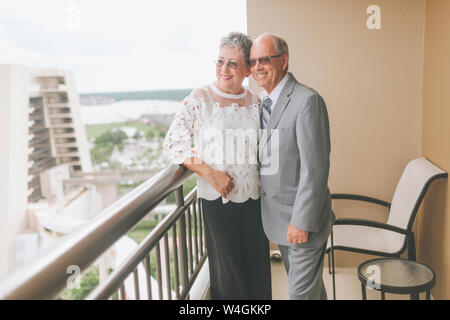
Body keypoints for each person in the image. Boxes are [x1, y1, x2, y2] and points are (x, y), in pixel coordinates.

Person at [163, 32, 272, 300]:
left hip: (255, 202)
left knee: (257, 273)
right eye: (220, 61)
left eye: (233, 63)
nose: (224, 69)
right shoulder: (201, 98)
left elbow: (267, 152)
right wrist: (210, 174)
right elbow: (172, 143)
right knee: (230, 277)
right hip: (218, 201)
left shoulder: (256, 102)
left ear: (247, 69)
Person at [250, 33, 335, 300]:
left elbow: (316, 170)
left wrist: (301, 222)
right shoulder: (262, 104)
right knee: (310, 293)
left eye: (264, 59)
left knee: (301, 296)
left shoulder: (307, 101)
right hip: (278, 221)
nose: (257, 68)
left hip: (302, 224)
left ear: (283, 60)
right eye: (252, 62)